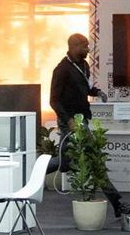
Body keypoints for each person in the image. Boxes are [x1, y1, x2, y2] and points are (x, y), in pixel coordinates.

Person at [49, 33, 124, 215]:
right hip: (71, 123)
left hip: (83, 119)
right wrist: (69, 120)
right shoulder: (61, 69)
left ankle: (32, 169)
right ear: (74, 46)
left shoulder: (84, 65)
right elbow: (54, 100)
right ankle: (117, 204)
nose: (88, 49)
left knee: (69, 161)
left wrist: (97, 92)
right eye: (85, 46)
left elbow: (86, 87)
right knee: (93, 159)